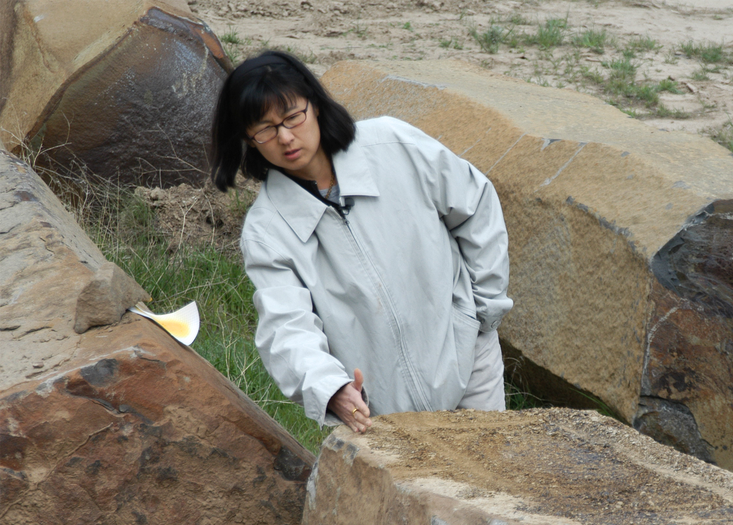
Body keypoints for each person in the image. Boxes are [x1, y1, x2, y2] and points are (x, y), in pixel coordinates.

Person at [209, 51, 513, 434]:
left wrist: (483, 316)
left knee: (491, 488)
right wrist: (331, 388)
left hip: (471, 363)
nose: (284, 137)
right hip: (376, 412)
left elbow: (476, 205)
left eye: (292, 117)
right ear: (249, 141)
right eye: (265, 129)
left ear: (315, 105)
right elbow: (286, 325)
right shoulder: (267, 229)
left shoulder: (392, 143)